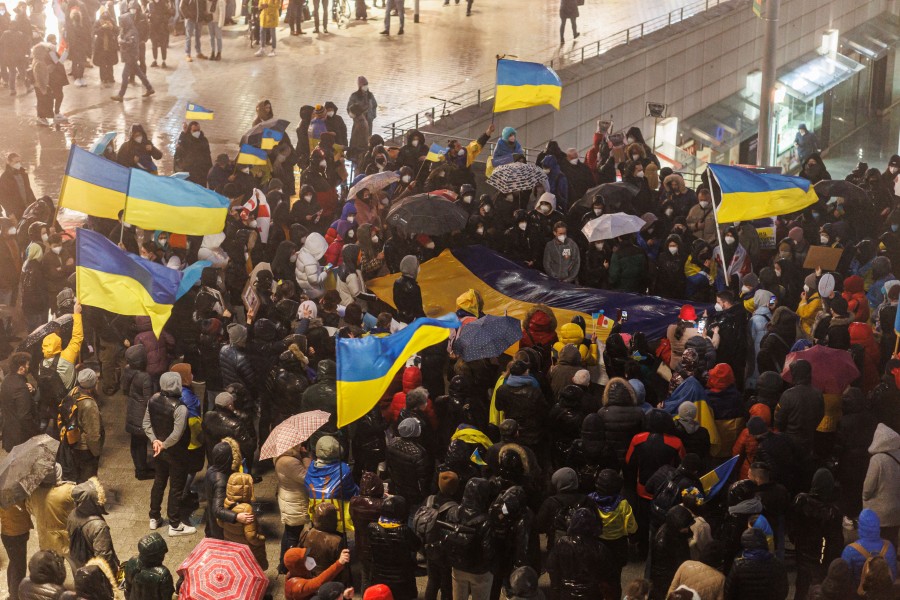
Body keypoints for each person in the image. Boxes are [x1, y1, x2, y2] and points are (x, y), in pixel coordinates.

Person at [142, 371, 196, 537]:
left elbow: (146, 423)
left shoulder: (153, 399)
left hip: (159, 452)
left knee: (159, 482)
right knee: (176, 488)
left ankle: (154, 517)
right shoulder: (180, 408)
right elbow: (177, 434)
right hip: (176, 454)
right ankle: (175, 524)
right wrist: (164, 445)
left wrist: (155, 442)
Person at [547, 507, 617, 599]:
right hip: (591, 595)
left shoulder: (561, 544)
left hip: (566, 594)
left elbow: (552, 568)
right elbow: (608, 575)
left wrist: (555, 589)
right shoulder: (599, 548)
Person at [57, 369, 104, 483]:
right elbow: (92, 434)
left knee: (77, 476)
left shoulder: (73, 392)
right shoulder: (89, 404)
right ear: (92, 384)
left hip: (73, 443)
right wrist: (96, 453)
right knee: (88, 480)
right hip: (85, 448)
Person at [67, 477, 118, 572]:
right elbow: (104, 556)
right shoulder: (99, 526)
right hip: (95, 572)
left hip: (80, 566)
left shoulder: (73, 514)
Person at [723, 528, 788, 600]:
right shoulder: (777, 563)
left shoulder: (738, 566)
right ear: (764, 541)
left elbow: (729, 593)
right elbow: (784, 591)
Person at [276, 443, 311, 573]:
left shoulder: (281, 457)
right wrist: (306, 458)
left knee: (289, 532)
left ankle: (282, 564)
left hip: (287, 498)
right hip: (295, 502)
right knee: (293, 535)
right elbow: (306, 477)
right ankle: (287, 566)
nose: (301, 444)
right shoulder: (290, 462)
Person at [862, 423, 900, 545]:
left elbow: (868, 488)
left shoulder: (877, 460)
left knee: (877, 546)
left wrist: (865, 497)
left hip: (878, 514)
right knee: (891, 545)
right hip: (896, 512)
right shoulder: (898, 457)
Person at [222, 472, 268, 568]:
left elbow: (220, 522)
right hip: (247, 549)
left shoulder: (225, 502)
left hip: (232, 545)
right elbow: (251, 536)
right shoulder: (246, 508)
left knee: (237, 567)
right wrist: (262, 538)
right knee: (252, 569)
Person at [121, 345, 154, 480]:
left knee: (135, 443)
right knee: (141, 444)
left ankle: (139, 467)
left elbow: (124, 390)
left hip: (132, 411)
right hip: (141, 414)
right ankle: (142, 471)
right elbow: (148, 399)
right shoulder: (145, 377)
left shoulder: (127, 371)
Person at [109, 8, 154, 101]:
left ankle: (121, 95)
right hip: (129, 56)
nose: (121, 25)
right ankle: (149, 88)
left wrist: (121, 42)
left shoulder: (132, 31)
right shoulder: (127, 30)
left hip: (131, 56)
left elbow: (131, 43)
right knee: (139, 73)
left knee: (125, 75)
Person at [1, 351, 37, 452]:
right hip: (20, 438)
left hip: (8, 433)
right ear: (21, 368)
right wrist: (36, 433)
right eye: (28, 364)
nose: (29, 367)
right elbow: (24, 416)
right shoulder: (20, 387)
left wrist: (32, 390)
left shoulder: (7, 380)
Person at [122, 532, 174, 600]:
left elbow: (127, 590)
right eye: (162, 553)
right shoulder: (163, 574)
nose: (163, 556)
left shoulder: (132, 562)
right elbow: (168, 597)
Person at [284, 547, 351, 600]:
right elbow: (319, 582)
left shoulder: (297, 573)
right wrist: (339, 563)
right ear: (298, 566)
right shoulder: (298, 587)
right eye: (305, 559)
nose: (308, 559)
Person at [0, 499, 31, 600]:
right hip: (17, 534)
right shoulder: (18, 495)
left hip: (7, 533)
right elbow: (30, 508)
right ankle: (15, 596)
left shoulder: (5, 495)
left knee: (14, 563)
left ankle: (12, 592)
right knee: (19, 568)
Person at [174, 121, 213, 186]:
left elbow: (207, 155)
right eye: (194, 130)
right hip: (190, 173)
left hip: (201, 173)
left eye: (198, 130)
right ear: (190, 130)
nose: (197, 132)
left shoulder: (204, 140)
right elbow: (180, 145)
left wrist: (209, 169)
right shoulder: (187, 140)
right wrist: (184, 132)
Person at [0, 152, 35, 220]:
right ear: (8, 162)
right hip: (15, 211)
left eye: (19, 161)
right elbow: (2, 197)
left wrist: (35, 203)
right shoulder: (4, 177)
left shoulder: (23, 173)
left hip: (28, 207)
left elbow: (28, 190)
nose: (18, 164)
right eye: (16, 162)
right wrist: (10, 213)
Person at [147, 0, 170, 66]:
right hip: (153, 29)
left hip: (162, 29)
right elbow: (146, 13)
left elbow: (169, 13)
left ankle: (163, 61)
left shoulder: (164, 4)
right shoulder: (150, 4)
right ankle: (155, 60)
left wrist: (164, 21)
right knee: (154, 45)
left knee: (163, 46)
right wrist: (148, 15)